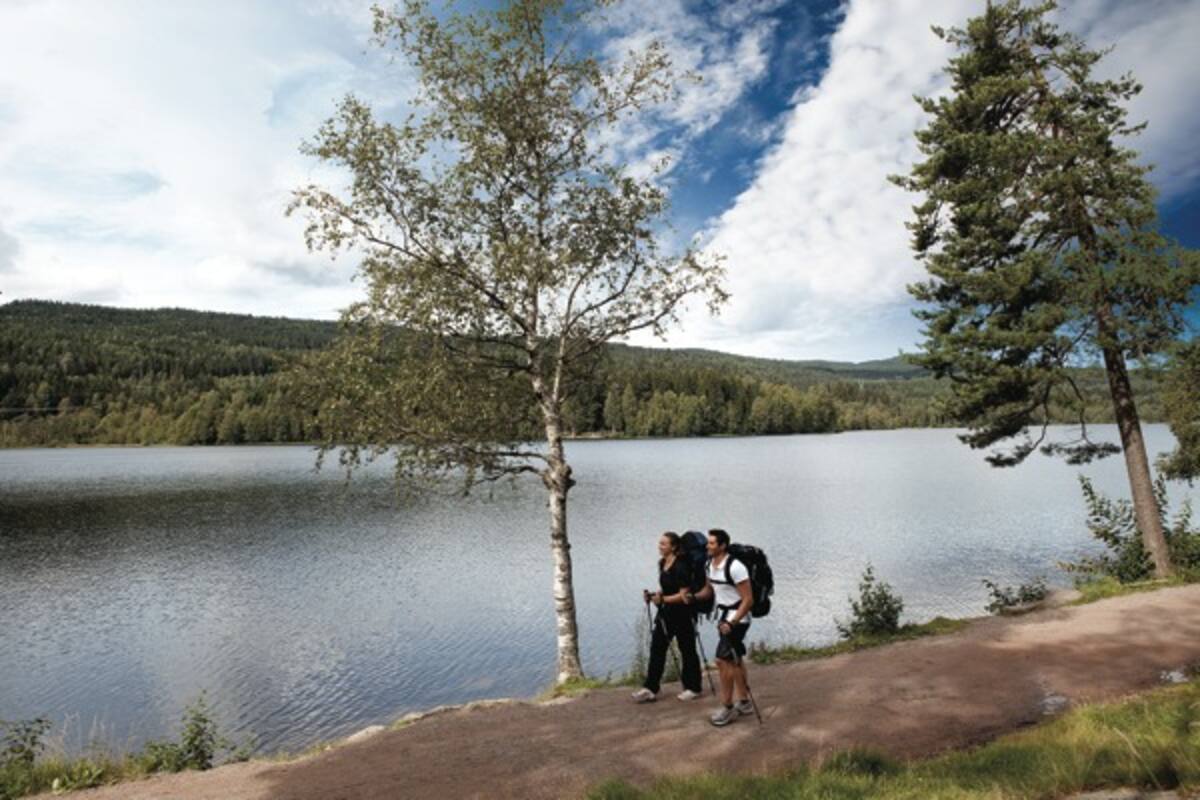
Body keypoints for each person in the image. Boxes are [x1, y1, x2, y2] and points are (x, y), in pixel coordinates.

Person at [688, 528, 754, 726]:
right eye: (708, 543)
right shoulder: (709, 564)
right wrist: (693, 597)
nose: (707, 546)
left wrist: (732, 623)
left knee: (721, 660)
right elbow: (709, 591)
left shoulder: (736, 567)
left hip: (738, 619)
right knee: (735, 660)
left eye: (711, 543)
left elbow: (748, 600)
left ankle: (727, 707)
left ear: (722, 546)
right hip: (724, 618)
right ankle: (744, 702)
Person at [631, 531, 704, 703]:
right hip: (667, 613)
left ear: (674, 547)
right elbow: (667, 587)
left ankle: (693, 687)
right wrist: (655, 595)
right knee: (657, 647)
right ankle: (650, 688)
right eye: (659, 543)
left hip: (683, 614)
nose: (660, 546)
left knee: (687, 650)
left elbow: (684, 595)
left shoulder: (681, 566)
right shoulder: (663, 562)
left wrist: (663, 599)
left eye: (664, 544)